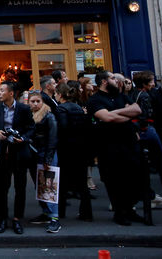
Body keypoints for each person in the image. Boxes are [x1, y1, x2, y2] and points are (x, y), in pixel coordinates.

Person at [86, 71, 144, 226]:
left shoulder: (120, 96)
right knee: (115, 181)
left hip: (129, 143)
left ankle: (130, 209)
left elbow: (137, 110)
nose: (117, 81)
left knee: (133, 178)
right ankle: (120, 212)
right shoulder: (95, 100)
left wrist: (114, 113)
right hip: (109, 146)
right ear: (104, 81)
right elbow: (107, 118)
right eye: (112, 78)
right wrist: (126, 115)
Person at [0, 81, 34, 234]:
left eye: (2, 90)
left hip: (19, 151)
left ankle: (17, 219)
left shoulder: (24, 109)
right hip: (2, 151)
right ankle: (2, 218)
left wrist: (24, 138)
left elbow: (31, 128)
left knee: (20, 187)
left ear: (11, 93)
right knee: (2, 187)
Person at [132, 71, 162, 203]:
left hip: (140, 130)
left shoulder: (134, 94)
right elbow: (146, 115)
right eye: (151, 81)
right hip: (148, 129)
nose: (154, 83)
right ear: (145, 83)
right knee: (161, 162)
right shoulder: (146, 95)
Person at [53, 82, 92, 221]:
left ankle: (61, 211)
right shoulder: (78, 107)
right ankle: (86, 212)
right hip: (80, 147)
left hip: (66, 148)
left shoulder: (61, 109)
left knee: (62, 182)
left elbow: (62, 128)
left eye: (56, 94)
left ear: (59, 94)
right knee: (82, 183)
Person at [26, 91, 60, 233]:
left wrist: (48, 158)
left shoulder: (49, 116)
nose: (35, 104)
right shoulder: (30, 116)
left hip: (46, 153)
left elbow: (53, 139)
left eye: (37, 101)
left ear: (43, 102)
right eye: (32, 101)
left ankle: (54, 218)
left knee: (49, 186)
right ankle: (46, 212)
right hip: (35, 154)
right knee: (39, 186)